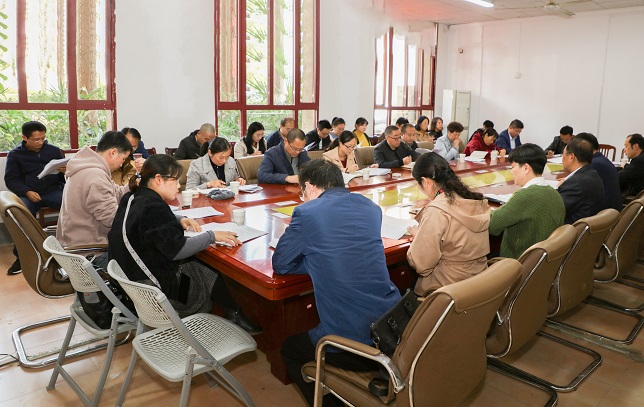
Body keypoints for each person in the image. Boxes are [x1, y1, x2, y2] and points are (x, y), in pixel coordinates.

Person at [274, 159, 400, 407]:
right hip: (391, 329)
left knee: (290, 349)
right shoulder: (370, 207)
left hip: (352, 343)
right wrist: (320, 260)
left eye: (302, 193)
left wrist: (315, 261)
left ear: (309, 187)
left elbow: (281, 264)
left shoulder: (308, 212)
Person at [108, 154, 261, 334]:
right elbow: (178, 250)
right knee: (202, 263)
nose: (179, 186)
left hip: (135, 287)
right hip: (158, 293)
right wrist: (212, 236)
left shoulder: (132, 197)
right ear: (158, 179)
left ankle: (232, 312)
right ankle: (233, 313)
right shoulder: (154, 207)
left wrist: (178, 219)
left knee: (196, 261)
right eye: (175, 180)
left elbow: (145, 221)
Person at [406, 153, 491, 296]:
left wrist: (418, 237)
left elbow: (422, 265)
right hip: (478, 283)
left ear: (425, 182)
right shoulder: (471, 199)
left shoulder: (437, 211)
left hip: (448, 290)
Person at [57, 131, 132, 261]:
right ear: (113, 152)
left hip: (75, 243)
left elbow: (116, 192)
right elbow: (113, 219)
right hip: (91, 253)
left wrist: (132, 185)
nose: (122, 164)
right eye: (123, 159)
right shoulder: (95, 175)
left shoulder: (88, 169)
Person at [4, 121, 66, 275]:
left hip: (52, 191)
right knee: (20, 216)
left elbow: (64, 178)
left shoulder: (54, 151)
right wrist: (26, 191)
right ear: (24, 138)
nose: (40, 142)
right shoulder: (15, 155)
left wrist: (66, 171)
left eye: (43, 138)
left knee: (74, 204)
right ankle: (21, 258)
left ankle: (70, 249)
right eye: (36, 139)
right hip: (29, 194)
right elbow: (11, 180)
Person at [489, 143, 565, 259]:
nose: (511, 172)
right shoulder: (554, 193)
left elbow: (492, 226)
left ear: (526, 168)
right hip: (543, 262)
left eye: (513, 167)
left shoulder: (524, 197)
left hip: (518, 262)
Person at [557, 138, 605, 224]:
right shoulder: (593, 174)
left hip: (570, 229)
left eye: (563, 155)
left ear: (571, 157)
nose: (562, 159)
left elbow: (553, 210)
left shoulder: (575, 183)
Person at [574, 133, 623, 211]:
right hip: (612, 211)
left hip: (603, 212)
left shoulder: (593, 164)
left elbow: (578, 190)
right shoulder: (602, 160)